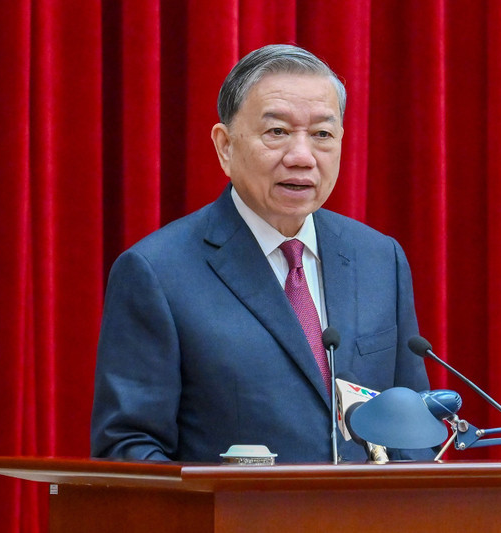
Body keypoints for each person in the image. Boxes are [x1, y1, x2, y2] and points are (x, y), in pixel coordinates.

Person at [90, 44, 431, 463]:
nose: (302, 157)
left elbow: (412, 431)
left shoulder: (380, 259)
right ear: (225, 146)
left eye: (322, 134)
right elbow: (128, 449)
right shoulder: (156, 273)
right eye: (277, 132)